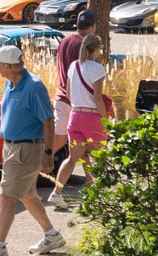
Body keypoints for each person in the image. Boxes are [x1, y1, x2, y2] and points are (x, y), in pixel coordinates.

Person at [0, 45, 63, 256]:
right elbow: (6, 113)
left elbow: (48, 120)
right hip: (11, 147)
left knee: (7, 196)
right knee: (27, 194)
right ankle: (52, 236)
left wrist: (49, 153)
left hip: (26, 148)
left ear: (9, 66)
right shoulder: (10, 83)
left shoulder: (33, 86)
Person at [48, 34, 114, 205]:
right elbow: (98, 99)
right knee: (99, 158)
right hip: (92, 118)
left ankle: (56, 193)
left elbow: (69, 94)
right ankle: (98, 197)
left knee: (72, 158)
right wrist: (106, 121)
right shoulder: (97, 69)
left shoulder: (73, 66)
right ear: (97, 50)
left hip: (75, 116)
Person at [50, 10, 97, 172]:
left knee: (68, 144)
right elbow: (87, 75)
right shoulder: (86, 45)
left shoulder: (66, 40)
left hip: (61, 97)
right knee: (85, 145)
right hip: (77, 102)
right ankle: (91, 182)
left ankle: (39, 162)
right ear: (93, 26)